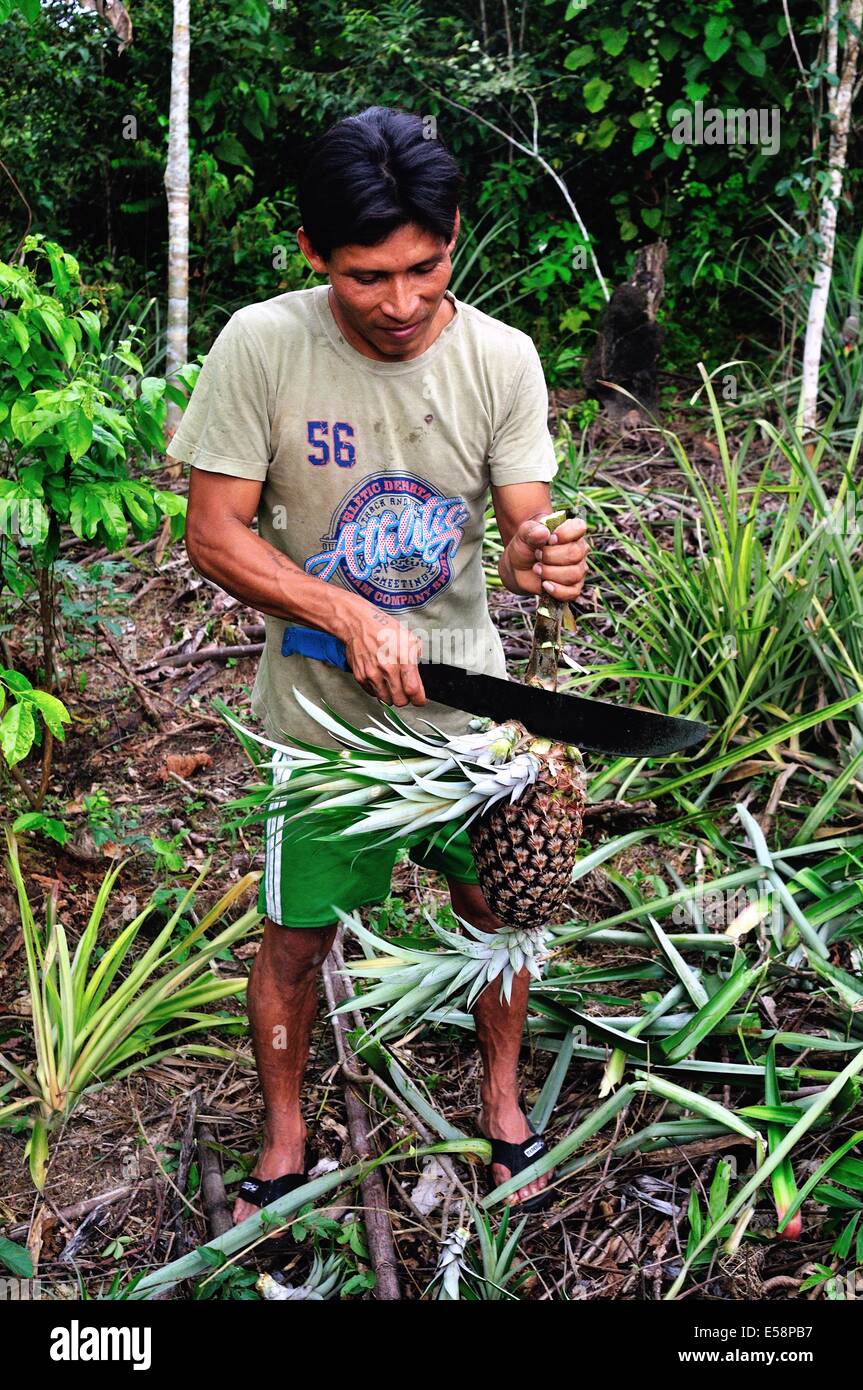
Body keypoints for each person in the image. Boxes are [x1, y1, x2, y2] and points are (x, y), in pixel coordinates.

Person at [167, 106, 589, 1222]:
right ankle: (287, 1128)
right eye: (365, 276)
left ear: (452, 235)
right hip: (320, 725)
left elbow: (525, 521)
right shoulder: (262, 345)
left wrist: (548, 555)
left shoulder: (500, 358)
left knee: (501, 909)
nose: (400, 304)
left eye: (424, 268)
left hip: (465, 722)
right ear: (312, 253)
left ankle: (500, 1103)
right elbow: (215, 532)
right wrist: (339, 611)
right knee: (297, 936)